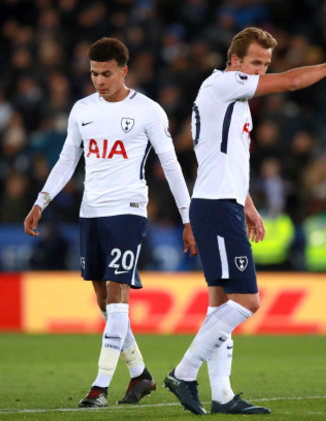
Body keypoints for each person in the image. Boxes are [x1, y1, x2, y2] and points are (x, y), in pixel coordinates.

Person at [164, 27, 326, 415]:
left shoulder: (234, 100)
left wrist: (248, 206)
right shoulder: (222, 85)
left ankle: (222, 395)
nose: (260, 72)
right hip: (216, 206)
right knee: (247, 300)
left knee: (218, 303)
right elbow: (289, 83)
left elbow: (224, 160)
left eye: (266, 65)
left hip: (225, 202)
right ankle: (184, 373)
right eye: (255, 63)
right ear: (234, 61)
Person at [23, 37, 197, 408]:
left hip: (128, 210)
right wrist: (41, 201)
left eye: (106, 73)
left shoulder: (149, 111)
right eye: (93, 74)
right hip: (91, 212)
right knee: (103, 299)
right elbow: (67, 159)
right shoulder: (82, 109)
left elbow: (171, 165)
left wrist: (187, 217)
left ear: (123, 71)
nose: (99, 81)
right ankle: (140, 375)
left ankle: (99, 387)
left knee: (118, 299)